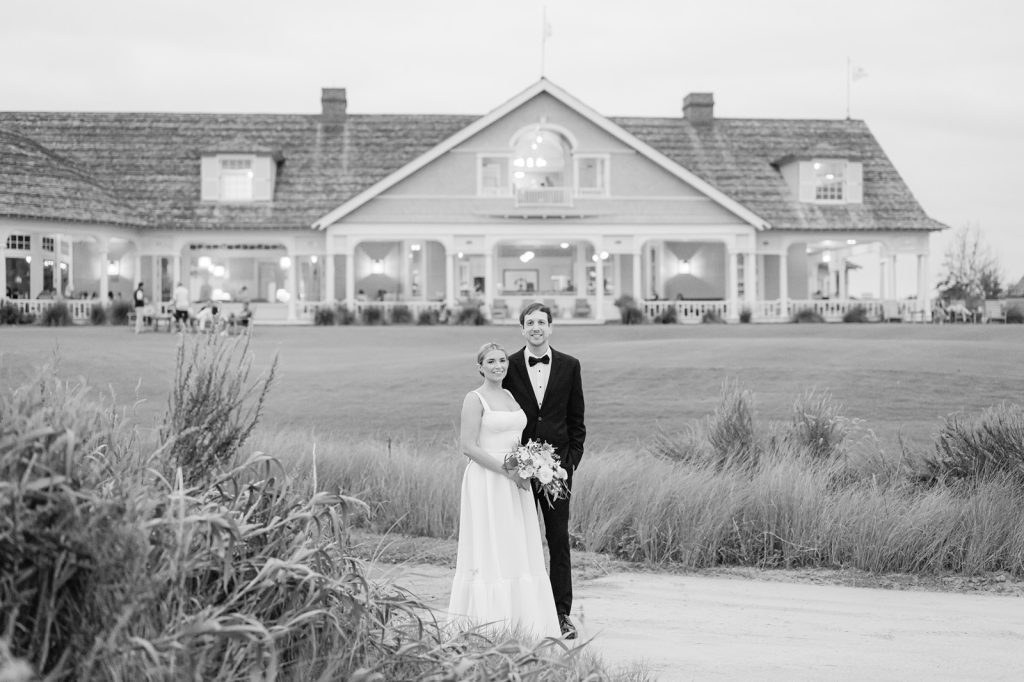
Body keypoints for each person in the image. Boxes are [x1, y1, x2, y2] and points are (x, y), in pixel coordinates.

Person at [448, 342, 560, 639]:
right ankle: (490, 625)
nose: (498, 366)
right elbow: (468, 446)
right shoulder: (475, 399)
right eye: (491, 361)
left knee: (516, 545)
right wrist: (507, 471)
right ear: (480, 367)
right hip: (488, 481)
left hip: (517, 482)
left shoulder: (510, 395)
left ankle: (523, 622)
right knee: (491, 545)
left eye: (502, 360)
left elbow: (517, 439)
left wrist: (533, 465)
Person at [502, 301, 586, 640]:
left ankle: (561, 614)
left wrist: (569, 463)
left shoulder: (570, 365)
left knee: (558, 540)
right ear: (522, 329)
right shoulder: (505, 365)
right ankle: (519, 612)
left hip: (556, 472)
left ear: (550, 327)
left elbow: (576, 421)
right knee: (519, 540)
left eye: (541, 322)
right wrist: (511, 463)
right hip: (518, 472)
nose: (536, 327)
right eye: (529, 322)